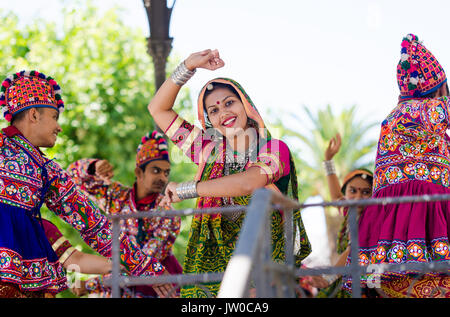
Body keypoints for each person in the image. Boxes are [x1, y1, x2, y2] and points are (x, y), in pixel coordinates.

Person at [148, 49, 311, 297]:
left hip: (263, 269)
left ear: (245, 105)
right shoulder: (206, 150)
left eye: (229, 103)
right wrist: (188, 66)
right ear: (209, 121)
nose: (223, 112)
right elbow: (158, 109)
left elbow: (251, 182)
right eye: (213, 110)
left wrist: (188, 189)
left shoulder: (274, 148)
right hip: (209, 276)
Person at [0, 70, 172, 298]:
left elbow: (95, 225)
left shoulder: (47, 171)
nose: (58, 127)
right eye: (54, 117)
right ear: (34, 114)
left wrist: (149, 268)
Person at [344, 34, 450, 298]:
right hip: (423, 234)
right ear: (438, 90)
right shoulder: (416, 113)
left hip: (392, 240)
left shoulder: (398, 120)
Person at [66, 130, 182, 297]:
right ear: (138, 173)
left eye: (166, 173)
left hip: (155, 289)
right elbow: (70, 179)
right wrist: (94, 167)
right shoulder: (115, 195)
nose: (163, 178)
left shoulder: (168, 215)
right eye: (156, 171)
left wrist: (91, 285)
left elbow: (141, 263)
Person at [312, 133, 374, 297]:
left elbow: (353, 249)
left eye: (366, 192)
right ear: (345, 193)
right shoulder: (349, 211)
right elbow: (335, 197)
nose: (358, 197)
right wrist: (328, 160)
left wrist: (329, 277)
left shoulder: (369, 217)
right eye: (352, 191)